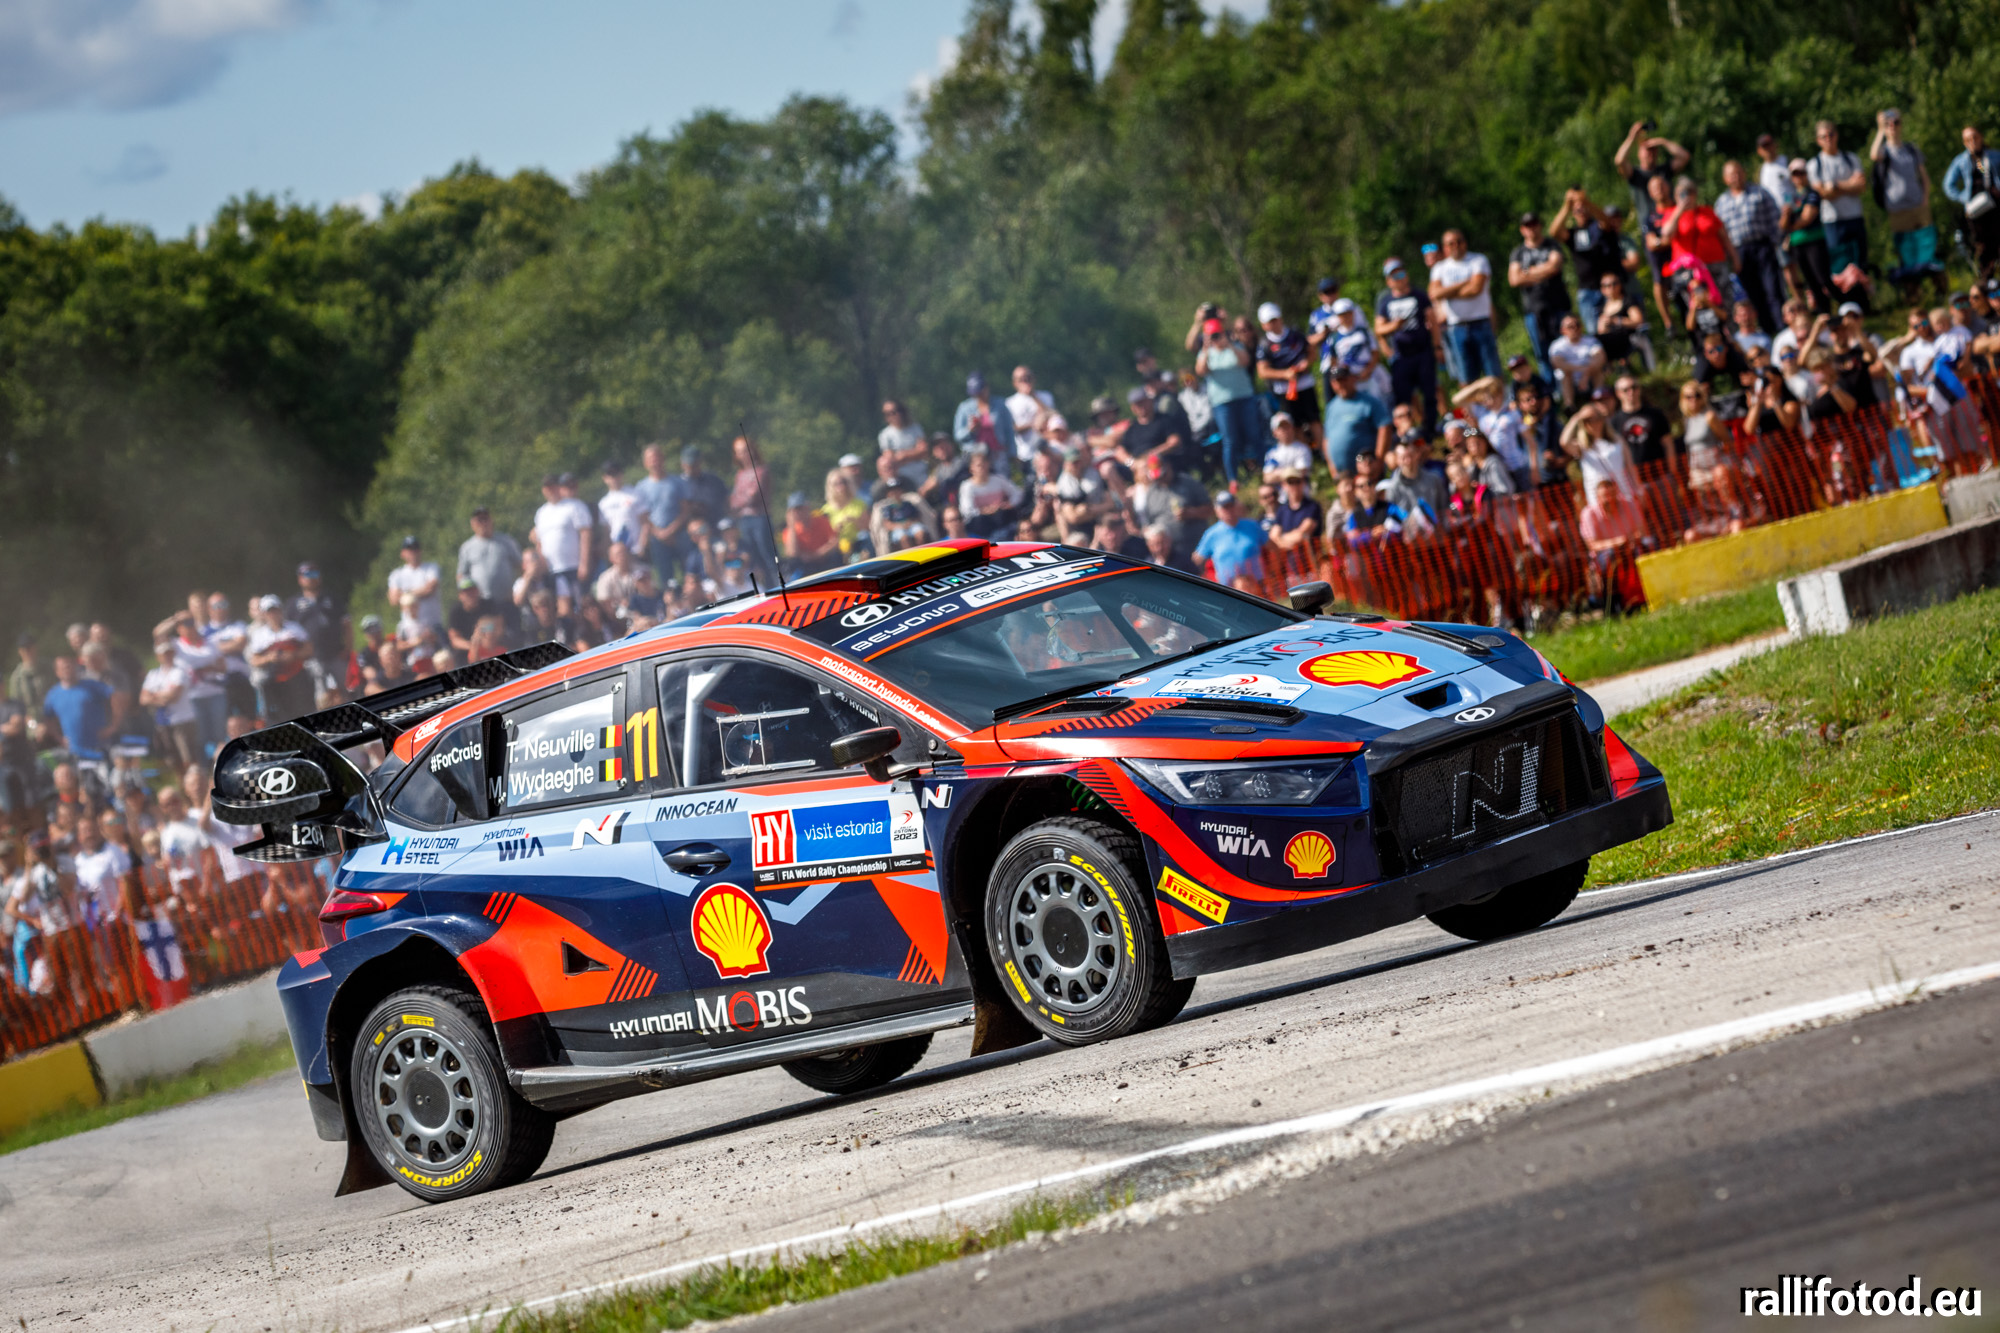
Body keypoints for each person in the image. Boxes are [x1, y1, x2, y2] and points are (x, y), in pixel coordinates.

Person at [1868, 111, 1938, 290]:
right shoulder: (1884, 151)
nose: (1892, 126)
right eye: (1888, 124)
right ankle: (1914, 290)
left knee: (1926, 245)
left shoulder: (1911, 149)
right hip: (1897, 209)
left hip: (1918, 205)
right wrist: (1880, 130)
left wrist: (1925, 198)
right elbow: (1874, 155)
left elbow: (1924, 177)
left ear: (1901, 125)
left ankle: (1935, 287)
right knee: (1906, 249)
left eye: (1896, 122)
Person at [1716, 160, 1786, 335]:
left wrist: (1775, 242)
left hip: (1763, 246)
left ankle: (1782, 328)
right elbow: (1721, 234)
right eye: (1732, 174)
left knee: (1773, 288)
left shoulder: (1760, 192)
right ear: (1725, 179)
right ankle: (1766, 331)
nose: (1736, 177)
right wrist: (1731, 257)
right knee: (1753, 294)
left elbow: (1775, 218)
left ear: (1744, 173)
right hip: (1739, 253)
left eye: (1738, 172)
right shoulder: (1721, 203)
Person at [1374, 257, 1439, 435]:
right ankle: (1408, 432)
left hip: (1423, 352)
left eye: (1401, 274)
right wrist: (1393, 327)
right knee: (1404, 397)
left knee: (1429, 393)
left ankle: (1430, 430)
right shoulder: (1385, 301)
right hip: (1401, 356)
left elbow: (1432, 320)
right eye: (1394, 276)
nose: (1398, 279)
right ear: (1388, 281)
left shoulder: (1419, 295)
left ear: (1407, 275)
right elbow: (1379, 329)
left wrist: (1437, 346)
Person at [1430, 229, 1502, 386]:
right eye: (1451, 243)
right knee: (1466, 378)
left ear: (1465, 243)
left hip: (1481, 323)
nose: (1456, 246)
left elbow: (1475, 289)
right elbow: (1434, 293)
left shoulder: (1478, 260)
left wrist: (1447, 292)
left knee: (1493, 374)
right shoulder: (1439, 268)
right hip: (1456, 327)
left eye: (1459, 241)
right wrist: (1464, 283)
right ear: (1445, 247)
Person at [1549, 188, 1625, 334]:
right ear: (1573, 214)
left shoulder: (1598, 227)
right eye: (1577, 210)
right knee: (1594, 333)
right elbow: (1554, 232)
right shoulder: (1572, 234)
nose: (1581, 212)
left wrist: (1586, 202)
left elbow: (1606, 221)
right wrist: (1567, 205)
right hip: (1586, 292)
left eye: (1583, 209)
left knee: (1615, 330)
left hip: (1608, 288)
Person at [1195, 317, 1259, 485]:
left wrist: (1229, 344)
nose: (1216, 338)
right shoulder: (1205, 353)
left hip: (1244, 398)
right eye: (1212, 335)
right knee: (1230, 440)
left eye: (1217, 334)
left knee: (1254, 434)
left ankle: (1264, 470)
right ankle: (1233, 480)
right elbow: (1200, 371)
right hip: (1222, 403)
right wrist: (1206, 348)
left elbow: (1245, 361)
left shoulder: (1236, 347)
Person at [1508, 212, 1570, 378]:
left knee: (1565, 349)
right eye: (1527, 226)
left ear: (1540, 226)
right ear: (1522, 230)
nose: (1532, 229)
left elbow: (1555, 266)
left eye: (1534, 224)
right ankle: (1550, 389)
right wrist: (1545, 269)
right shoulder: (1518, 252)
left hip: (1558, 305)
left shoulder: (1552, 245)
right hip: (1533, 310)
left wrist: (1526, 272)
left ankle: (1570, 386)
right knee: (1542, 354)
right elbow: (1514, 279)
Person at [1808, 121, 1869, 279]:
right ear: (1818, 140)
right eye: (1824, 136)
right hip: (1833, 221)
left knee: (1861, 264)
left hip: (1855, 217)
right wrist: (1850, 185)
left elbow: (1861, 186)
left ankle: (1862, 293)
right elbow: (1823, 193)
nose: (1828, 139)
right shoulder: (1815, 165)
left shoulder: (1851, 158)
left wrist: (1834, 186)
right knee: (1839, 267)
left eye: (1831, 134)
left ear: (1837, 135)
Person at [246, 595, 314, 724]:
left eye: (275, 610)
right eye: (269, 612)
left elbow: (309, 649)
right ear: (264, 614)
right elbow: (254, 660)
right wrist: (269, 658)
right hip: (274, 682)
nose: (273, 615)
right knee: (281, 717)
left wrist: (293, 655)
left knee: (303, 712)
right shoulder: (259, 635)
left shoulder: (294, 628)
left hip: (297, 677)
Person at [1943, 126, 2000, 279]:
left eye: (1975, 137)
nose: (1972, 141)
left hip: (1995, 205)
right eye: (1968, 139)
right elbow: (1948, 185)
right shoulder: (1961, 161)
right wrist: (1963, 197)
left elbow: (1984, 172)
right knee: (1982, 246)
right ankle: (1986, 280)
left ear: (1981, 137)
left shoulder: (1992, 157)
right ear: (1964, 142)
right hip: (1976, 210)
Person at [289, 562, 348, 706]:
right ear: (300, 579)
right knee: (322, 697)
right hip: (312, 659)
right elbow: (289, 633)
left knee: (345, 692)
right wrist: (299, 655)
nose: (311, 578)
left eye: (314, 574)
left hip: (337, 654)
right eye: (307, 575)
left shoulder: (332, 598)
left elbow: (347, 625)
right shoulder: (293, 604)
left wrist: (347, 649)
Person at [1320, 364, 1393, 477]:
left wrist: (1379, 460)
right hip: (1343, 477)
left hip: (1368, 473)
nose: (1340, 384)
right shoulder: (1331, 407)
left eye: (1343, 380)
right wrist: (1331, 466)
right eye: (1336, 381)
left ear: (1352, 378)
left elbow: (1384, 428)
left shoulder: (1369, 402)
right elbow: (1327, 438)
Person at [1255, 301, 1318, 431]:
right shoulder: (1264, 344)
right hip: (1284, 391)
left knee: (1314, 420)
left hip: (1305, 384)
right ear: (1263, 325)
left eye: (1275, 319)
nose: (1273, 324)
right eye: (1269, 321)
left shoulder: (1296, 334)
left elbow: (1312, 353)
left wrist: (1306, 363)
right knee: (1294, 426)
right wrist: (1285, 374)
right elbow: (1262, 371)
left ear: (1280, 318)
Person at [139, 639, 200, 772]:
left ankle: (194, 780)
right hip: (163, 721)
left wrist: (153, 695)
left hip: (182, 720)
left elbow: (174, 696)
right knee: (172, 758)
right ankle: (181, 783)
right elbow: (143, 699)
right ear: (158, 656)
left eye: (169, 653)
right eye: (163, 654)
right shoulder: (153, 674)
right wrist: (161, 697)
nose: (167, 656)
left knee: (188, 757)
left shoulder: (179, 672)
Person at [532, 473, 595, 600]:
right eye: (547, 487)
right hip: (551, 570)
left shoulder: (575, 506)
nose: (551, 490)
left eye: (553, 486)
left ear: (559, 487)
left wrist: (584, 564)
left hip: (573, 566)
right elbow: (539, 541)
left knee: (580, 603)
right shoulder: (541, 513)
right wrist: (542, 566)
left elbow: (585, 535)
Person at [43, 654, 116, 764]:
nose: (67, 669)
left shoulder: (92, 686)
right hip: (74, 752)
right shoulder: (53, 695)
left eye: (69, 666)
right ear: (57, 672)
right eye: (63, 667)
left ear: (75, 667)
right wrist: (59, 738)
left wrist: (113, 726)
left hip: (100, 748)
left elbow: (116, 698)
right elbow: (48, 719)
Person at [1193, 492, 1268, 593]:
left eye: (1231, 506)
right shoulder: (1211, 534)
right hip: (1229, 591)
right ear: (1217, 511)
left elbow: (1272, 547)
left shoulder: (1252, 525)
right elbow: (1198, 559)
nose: (1229, 510)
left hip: (1259, 586)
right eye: (1225, 507)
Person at [1615, 120, 1691, 212]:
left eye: (1654, 149)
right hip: (1648, 220)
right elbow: (1619, 161)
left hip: (1669, 217)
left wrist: (1663, 142)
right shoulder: (1635, 174)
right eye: (1648, 149)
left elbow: (1684, 157)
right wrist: (1631, 138)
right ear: (1639, 153)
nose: (1651, 153)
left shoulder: (1664, 170)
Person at [1607, 375, 1676, 472]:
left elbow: (1668, 444)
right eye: (1625, 390)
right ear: (1618, 393)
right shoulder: (1614, 422)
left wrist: (1673, 471)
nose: (1631, 392)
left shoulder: (1655, 414)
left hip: (1661, 473)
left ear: (1639, 389)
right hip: (1632, 477)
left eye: (1634, 387)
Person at [456, 507, 521, 607]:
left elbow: (520, 566)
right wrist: (468, 597)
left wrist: (518, 589)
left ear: (491, 520)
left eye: (485, 519)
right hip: (481, 604)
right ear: (472, 524)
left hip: (506, 600)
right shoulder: (467, 547)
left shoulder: (506, 541)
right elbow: (461, 575)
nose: (483, 523)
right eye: (479, 520)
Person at [953, 372, 1016, 474]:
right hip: (975, 456)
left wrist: (1013, 454)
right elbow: (958, 436)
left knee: (1001, 480)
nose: (979, 395)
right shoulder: (964, 408)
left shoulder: (1000, 405)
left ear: (987, 387)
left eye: (981, 391)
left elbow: (1009, 431)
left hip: (998, 455)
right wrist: (970, 430)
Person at [956, 448, 1021, 539]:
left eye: (984, 464)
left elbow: (1017, 493)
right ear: (971, 468)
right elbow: (966, 510)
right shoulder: (967, 487)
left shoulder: (998, 480)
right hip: (981, 526)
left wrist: (1009, 504)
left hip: (1001, 520)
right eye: (979, 465)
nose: (982, 468)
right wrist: (984, 511)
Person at [1594, 272, 1654, 370]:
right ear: (1602, 289)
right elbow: (1601, 331)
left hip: (1629, 337)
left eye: (1614, 283)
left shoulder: (1628, 301)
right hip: (1611, 340)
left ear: (1620, 285)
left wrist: (1617, 321)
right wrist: (1604, 325)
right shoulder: (1601, 308)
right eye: (1607, 285)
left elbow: (1638, 321)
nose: (1611, 287)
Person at [1546, 313, 1607, 407]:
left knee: (1598, 372)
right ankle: (1569, 406)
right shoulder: (1557, 346)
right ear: (1563, 330)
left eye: (1577, 325)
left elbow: (1600, 357)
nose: (1575, 328)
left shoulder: (1591, 341)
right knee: (1566, 375)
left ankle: (1599, 399)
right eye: (1570, 326)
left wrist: (1586, 373)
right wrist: (1581, 369)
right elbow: (1557, 363)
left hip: (1589, 377)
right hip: (1569, 382)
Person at [386, 535, 441, 633]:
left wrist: (405, 594)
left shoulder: (431, 568)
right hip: (409, 629)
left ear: (420, 551)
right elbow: (393, 599)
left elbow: (430, 589)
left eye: (415, 548)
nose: (413, 552)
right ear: (402, 553)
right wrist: (420, 591)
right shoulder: (397, 574)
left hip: (432, 626)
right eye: (409, 549)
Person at [1004, 366, 1055, 466]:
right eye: (1021, 379)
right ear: (1015, 383)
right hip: (1025, 455)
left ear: (1034, 378)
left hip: (1049, 452)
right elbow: (1011, 429)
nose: (1025, 381)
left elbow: (1053, 418)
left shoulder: (1046, 396)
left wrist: (1033, 396)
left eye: (1028, 377)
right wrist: (1032, 425)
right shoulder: (1010, 403)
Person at [782, 491, 841, 576]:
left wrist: (817, 554)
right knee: (793, 564)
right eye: (795, 510)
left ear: (807, 508)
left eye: (800, 509)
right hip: (806, 566)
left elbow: (834, 542)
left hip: (826, 560)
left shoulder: (821, 521)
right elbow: (792, 554)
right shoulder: (789, 532)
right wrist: (792, 526)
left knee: (836, 556)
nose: (798, 513)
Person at [878, 400, 929, 489]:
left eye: (894, 412)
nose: (892, 415)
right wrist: (915, 453)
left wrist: (903, 455)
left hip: (922, 476)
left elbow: (924, 451)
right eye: (887, 413)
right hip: (902, 480)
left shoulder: (916, 428)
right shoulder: (885, 435)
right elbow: (891, 460)